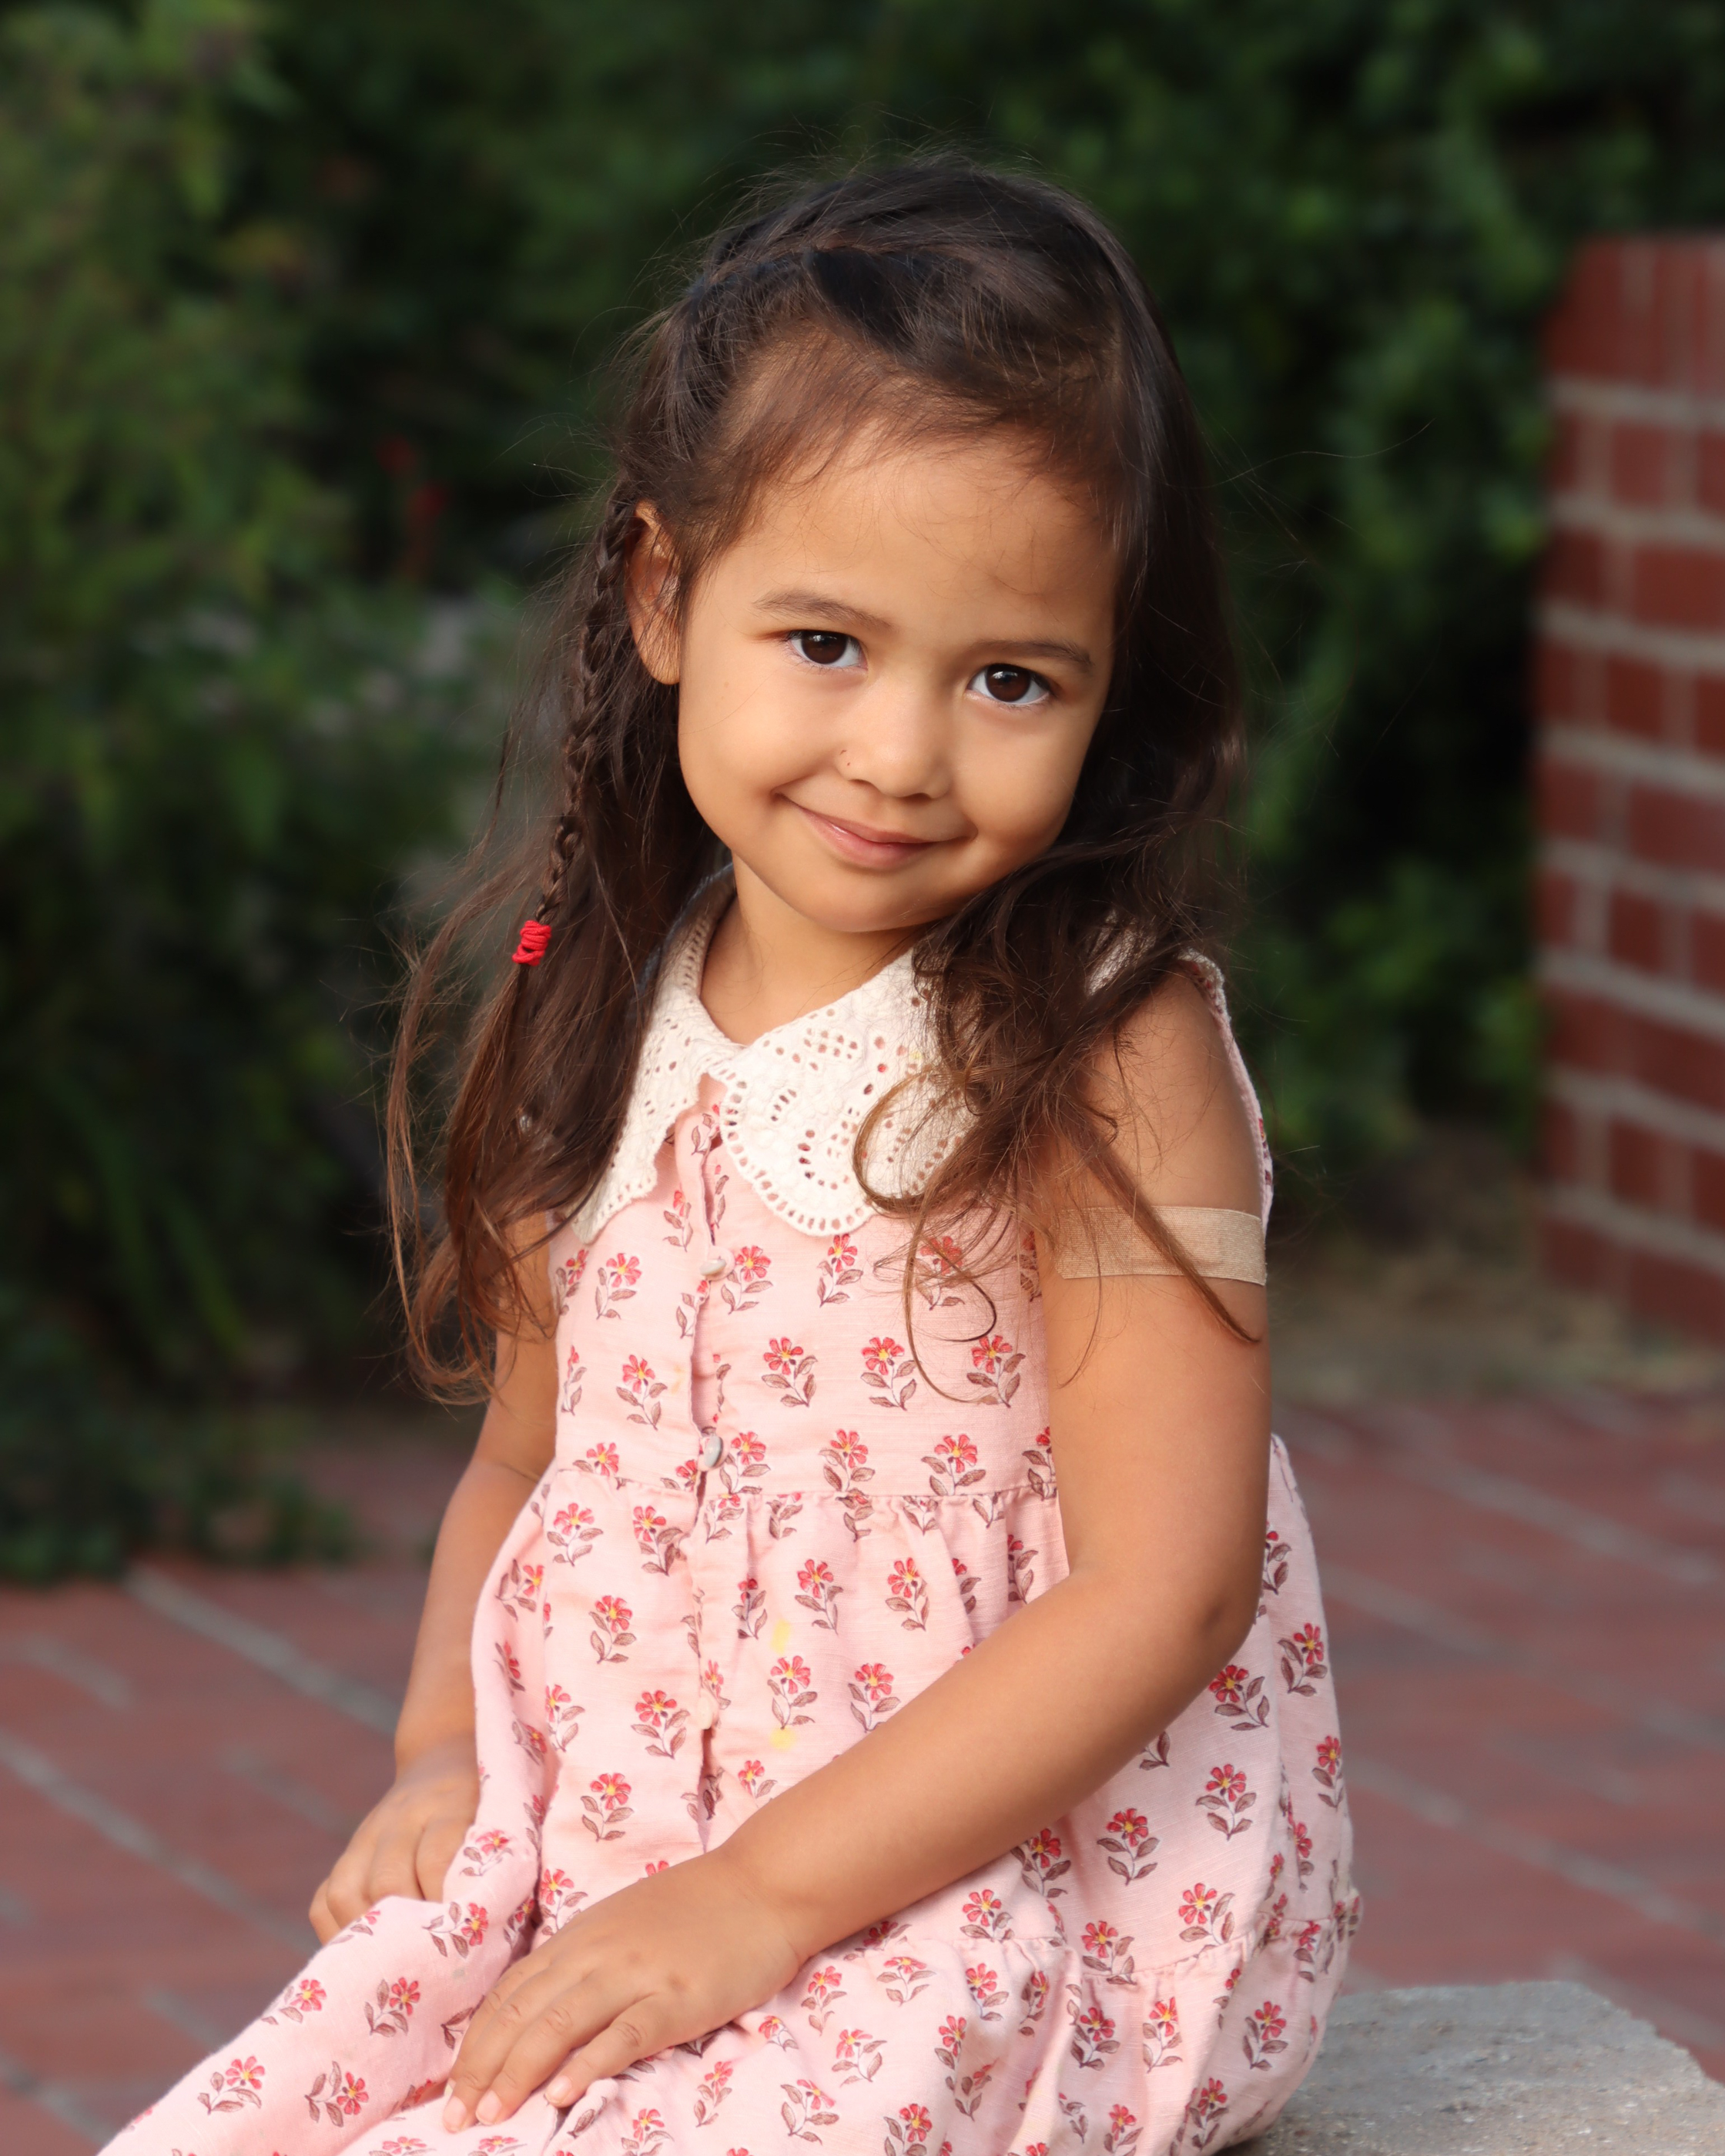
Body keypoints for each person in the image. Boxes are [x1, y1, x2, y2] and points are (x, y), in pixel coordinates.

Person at [110, 159, 1357, 2156]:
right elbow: (521, 1467)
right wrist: (440, 1759)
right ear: (666, 595)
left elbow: (1169, 1587)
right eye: (829, 642)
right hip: (625, 1853)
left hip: (993, 1885)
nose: (902, 755)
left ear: (1112, 679)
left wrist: (763, 1900)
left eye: (1010, 678)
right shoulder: (602, 1008)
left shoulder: (1101, 1047)